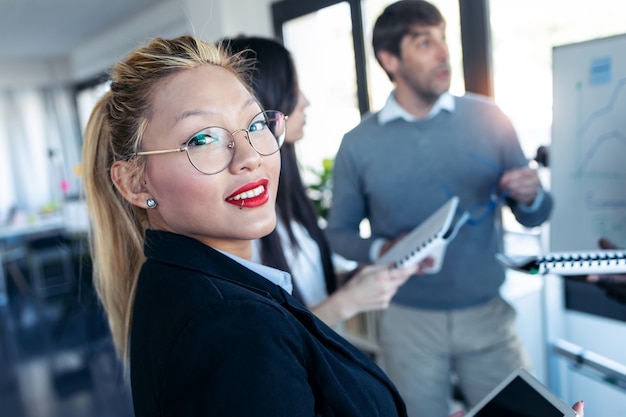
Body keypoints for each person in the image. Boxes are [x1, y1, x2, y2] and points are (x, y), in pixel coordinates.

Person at [81, 34, 423, 416]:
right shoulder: (232, 325)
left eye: (256, 124)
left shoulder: (182, 282)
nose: (250, 157)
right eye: (203, 137)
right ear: (135, 182)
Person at [325, 1, 555, 416]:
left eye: (443, 38)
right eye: (424, 42)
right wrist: (385, 249)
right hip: (407, 322)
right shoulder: (357, 144)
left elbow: (537, 214)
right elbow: (339, 233)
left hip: (488, 316)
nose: (444, 53)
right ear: (389, 58)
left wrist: (531, 196)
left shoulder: (490, 117)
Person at [221, 35, 426, 327]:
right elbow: (265, 336)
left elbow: (307, 289)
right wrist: (349, 300)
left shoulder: (285, 201)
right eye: (292, 89)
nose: (305, 101)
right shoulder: (244, 219)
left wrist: (371, 271)